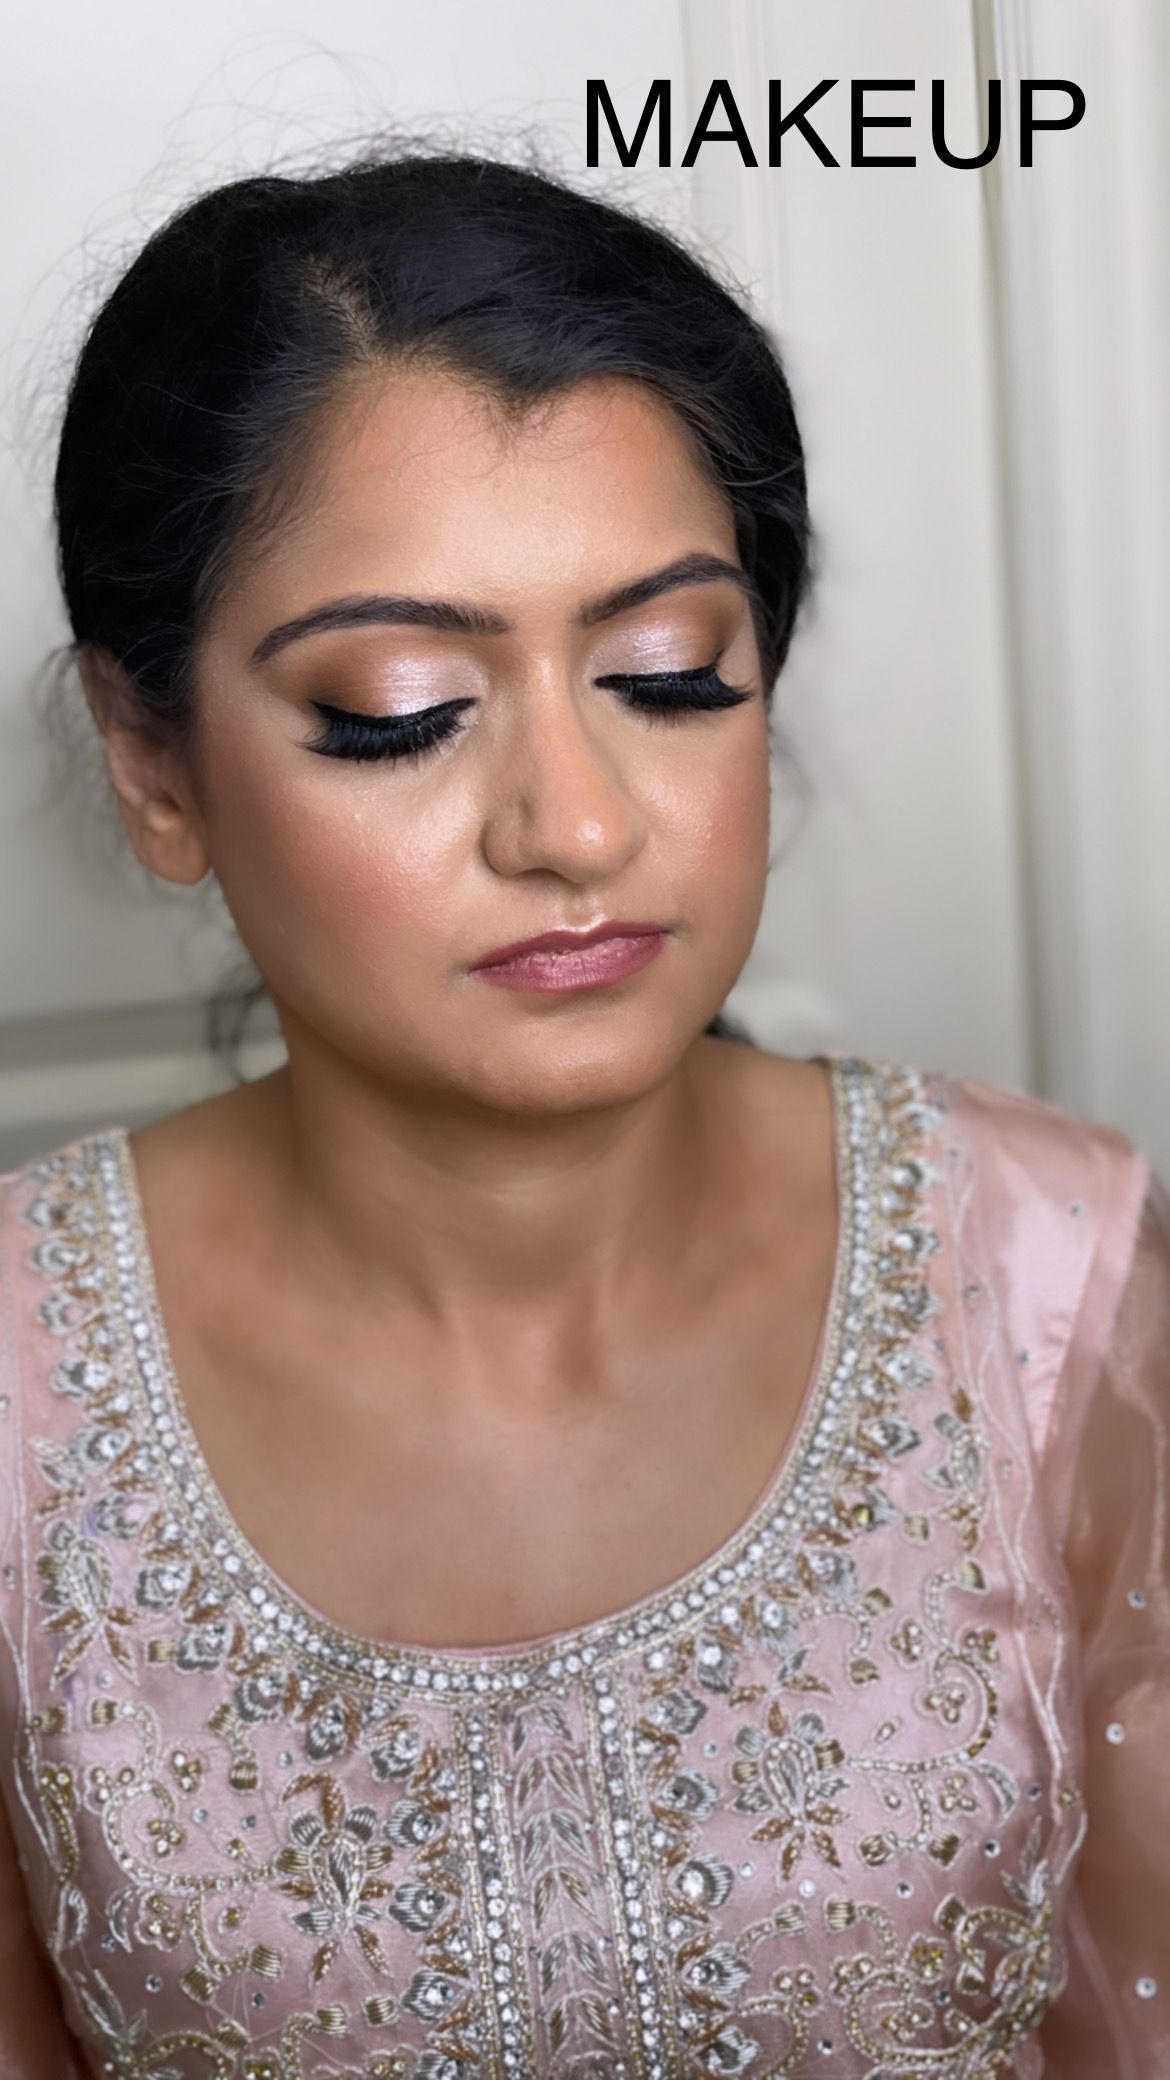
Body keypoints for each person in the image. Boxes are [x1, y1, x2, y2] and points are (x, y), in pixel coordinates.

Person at [0, 145, 1165, 2080]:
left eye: (663, 674)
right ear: (155, 762)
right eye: (394, 707)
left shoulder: (1041, 1272)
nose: (579, 826)